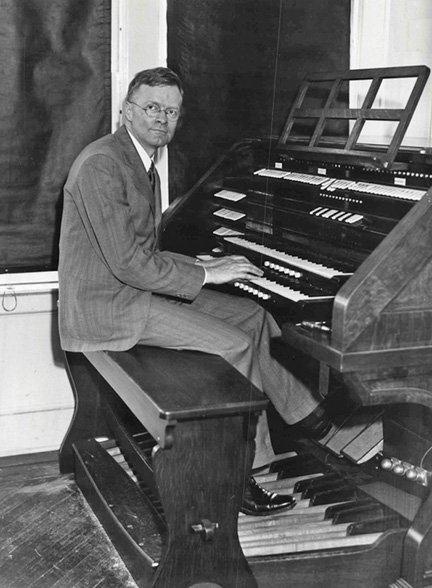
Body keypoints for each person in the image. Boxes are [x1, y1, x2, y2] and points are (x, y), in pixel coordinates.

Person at [58, 67, 330, 516]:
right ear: (127, 111)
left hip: (129, 291)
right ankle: (238, 477)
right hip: (106, 305)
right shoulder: (103, 164)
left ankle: (306, 417)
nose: (161, 118)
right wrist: (205, 274)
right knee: (234, 343)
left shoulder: (143, 163)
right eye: (151, 107)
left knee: (251, 316)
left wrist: (202, 265)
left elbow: (144, 252)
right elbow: (128, 263)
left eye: (172, 111)